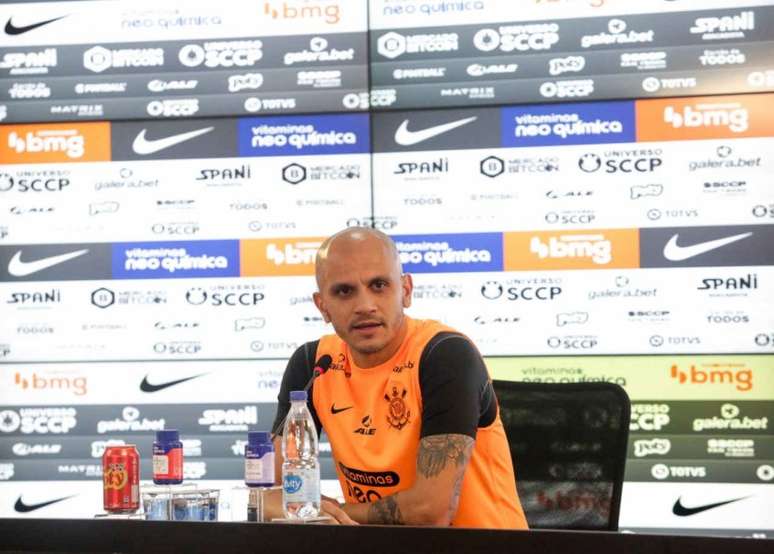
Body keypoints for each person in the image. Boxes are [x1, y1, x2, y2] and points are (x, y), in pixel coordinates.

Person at [270, 227, 528, 528]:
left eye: (379, 285)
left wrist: (333, 512)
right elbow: (270, 493)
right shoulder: (313, 365)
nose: (365, 305)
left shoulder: (445, 355)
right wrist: (300, 508)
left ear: (406, 291)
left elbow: (431, 512)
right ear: (322, 306)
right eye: (344, 291)